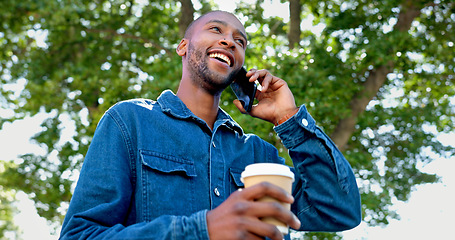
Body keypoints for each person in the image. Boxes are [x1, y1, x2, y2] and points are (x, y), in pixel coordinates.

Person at [59, 10, 361, 240]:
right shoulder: (129, 122)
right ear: (183, 47)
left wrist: (289, 119)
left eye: (240, 41)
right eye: (216, 30)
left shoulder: (259, 154)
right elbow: (80, 234)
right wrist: (202, 229)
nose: (229, 41)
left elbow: (338, 209)